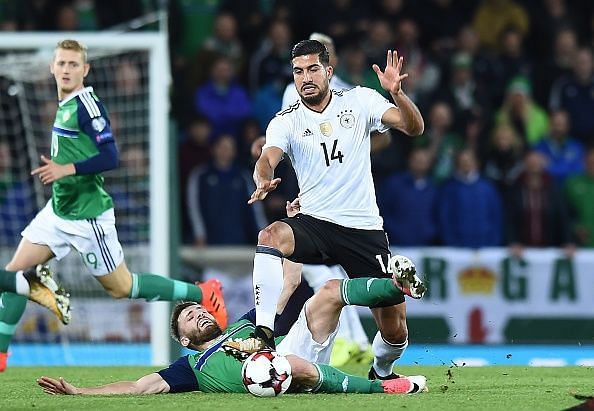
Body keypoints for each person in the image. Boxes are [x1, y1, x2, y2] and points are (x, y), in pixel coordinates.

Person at [0, 39, 227, 372]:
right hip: (59, 210)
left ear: (85, 70)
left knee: (122, 287)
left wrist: (67, 169)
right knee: (14, 273)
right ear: (52, 66)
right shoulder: (63, 105)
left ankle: (201, 291)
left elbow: (110, 155)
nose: (66, 70)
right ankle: (3, 354)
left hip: (88, 217)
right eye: (61, 63)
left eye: (73, 64)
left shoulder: (86, 105)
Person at [248, 39, 425, 380]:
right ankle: (263, 332)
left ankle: (381, 368)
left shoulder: (359, 100)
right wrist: (263, 178)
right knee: (271, 235)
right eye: (298, 72)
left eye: (313, 69)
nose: (305, 78)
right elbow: (267, 158)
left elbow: (414, 128)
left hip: (363, 229)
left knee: (395, 329)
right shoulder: (285, 121)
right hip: (315, 223)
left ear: (329, 71)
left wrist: (397, 94)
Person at [37, 271, 428, 395]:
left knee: (326, 290)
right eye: (189, 318)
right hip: (276, 373)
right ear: (185, 339)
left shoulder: (245, 323)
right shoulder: (191, 365)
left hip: (286, 352)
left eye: (199, 309)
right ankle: (382, 389)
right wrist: (81, 392)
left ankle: (396, 286)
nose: (199, 315)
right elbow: (141, 387)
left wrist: (297, 224)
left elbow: (288, 282)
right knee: (289, 363)